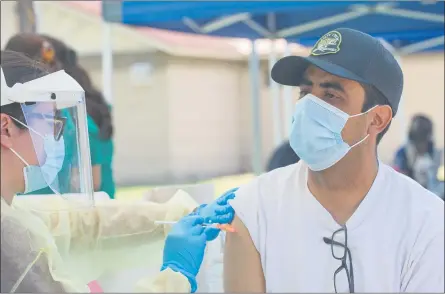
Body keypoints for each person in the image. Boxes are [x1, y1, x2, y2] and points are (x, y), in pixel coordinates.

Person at [224, 28, 444, 293]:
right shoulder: (255, 208)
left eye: (331, 95)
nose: (308, 107)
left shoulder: (426, 222)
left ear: (377, 119)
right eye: (305, 93)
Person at [0, 50, 235, 293]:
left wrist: (180, 215)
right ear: (5, 128)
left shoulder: (12, 214)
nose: (53, 137)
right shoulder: (10, 240)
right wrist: (175, 275)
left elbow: (81, 224)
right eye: (48, 122)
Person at [5, 33, 116, 199]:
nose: (51, 136)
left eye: (53, 122)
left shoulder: (74, 120)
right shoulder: (77, 118)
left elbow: (91, 182)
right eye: (48, 121)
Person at [393, 114, 443, 196]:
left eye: (423, 141)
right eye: (418, 141)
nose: (421, 146)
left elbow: (438, 180)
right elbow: (399, 182)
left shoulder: (435, 153)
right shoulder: (402, 155)